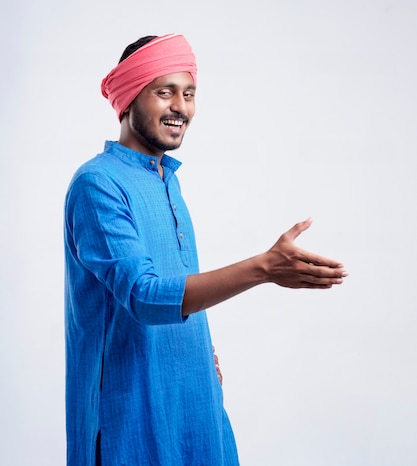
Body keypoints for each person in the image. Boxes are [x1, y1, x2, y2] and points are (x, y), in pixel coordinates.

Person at [64, 33, 348, 466]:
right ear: (128, 98)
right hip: (133, 409)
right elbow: (144, 294)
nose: (181, 107)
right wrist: (263, 268)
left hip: (195, 400)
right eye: (165, 92)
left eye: (189, 94)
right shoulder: (98, 184)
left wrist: (199, 348)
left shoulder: (167, 179)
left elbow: (177, 283)